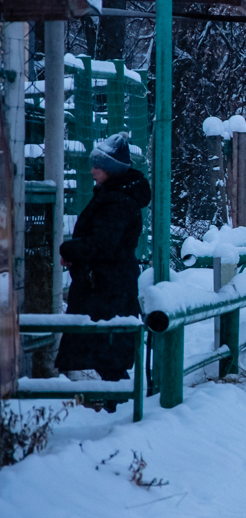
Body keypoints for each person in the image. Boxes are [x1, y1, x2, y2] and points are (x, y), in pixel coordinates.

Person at [55, 133, 151, 403]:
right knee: (105, 353)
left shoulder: (116, 201)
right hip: (108, 286)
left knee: (104, 352)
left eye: (97, 165)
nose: (92, 170)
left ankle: (121, 407)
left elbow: (103, 244)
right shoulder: (119, 196)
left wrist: (69, 249)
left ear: (110, 169)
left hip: (105, 289)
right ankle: (118, 405)